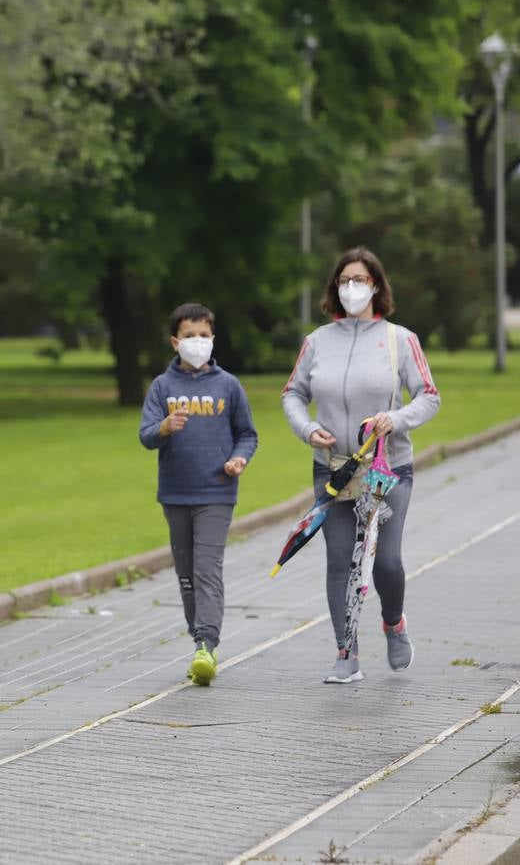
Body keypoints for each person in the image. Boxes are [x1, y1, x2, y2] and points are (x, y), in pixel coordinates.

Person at [282, 246, 440, 684]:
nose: (352, 288)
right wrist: (307, 428)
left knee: (385, 561)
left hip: (387, 469)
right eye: (344, 280)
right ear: (335, 286)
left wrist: (396, 418)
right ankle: (346, 653)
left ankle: (393, 621)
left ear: (376, 286)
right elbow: (292, 393)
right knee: (340, 562)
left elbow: (429, 395)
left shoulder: (400, 339)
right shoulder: (317, 342)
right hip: (333, 470)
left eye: (360, 280)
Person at [139, 303, 258, 686]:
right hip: (175, 493)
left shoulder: (228, 386)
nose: (197, 343)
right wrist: (164, 427)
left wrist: (239, 459)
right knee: (187, 575)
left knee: (207, 570)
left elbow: (247, 433)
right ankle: (199, 640)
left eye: (204, 336)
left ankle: (207, 644)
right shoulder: (162, 387)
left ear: (213, 339)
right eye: (189, 336)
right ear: (175, 342)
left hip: (216, 493)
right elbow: (145, 435)